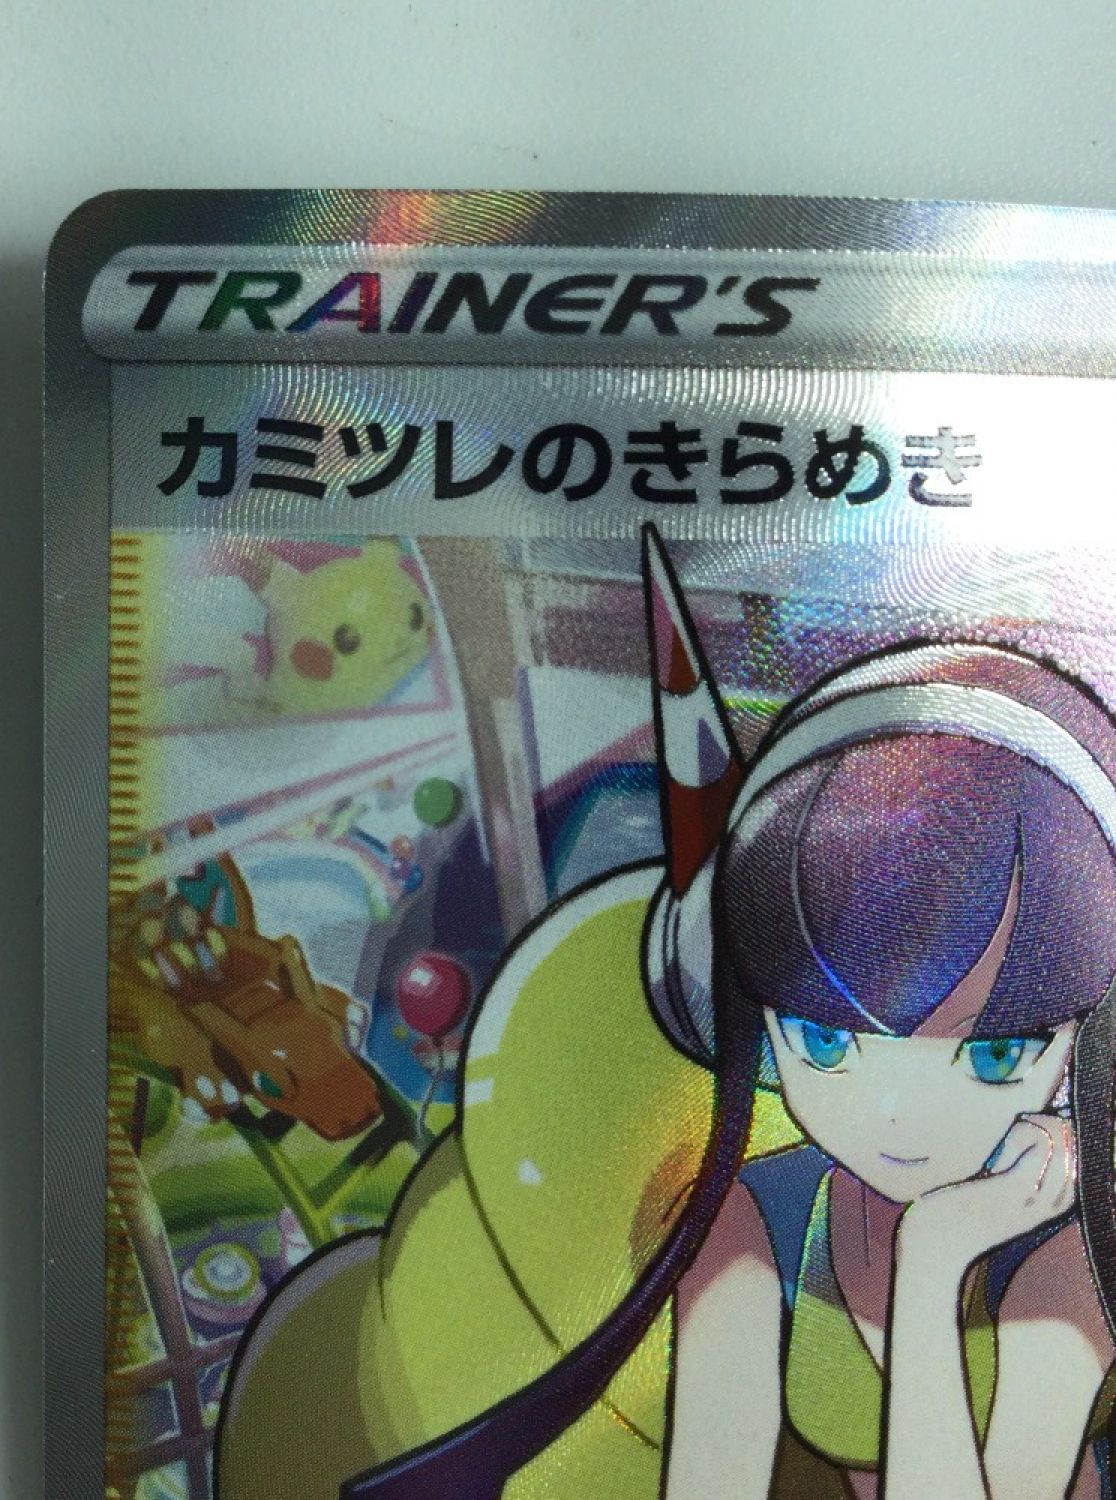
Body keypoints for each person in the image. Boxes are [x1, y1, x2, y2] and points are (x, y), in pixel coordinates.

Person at [216, 527, 1116, 1500]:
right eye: (823, 1040)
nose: (897, 1114)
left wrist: (934, 1267)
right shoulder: (753, 1217)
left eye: (995, 1055)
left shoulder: (1067, 1248)